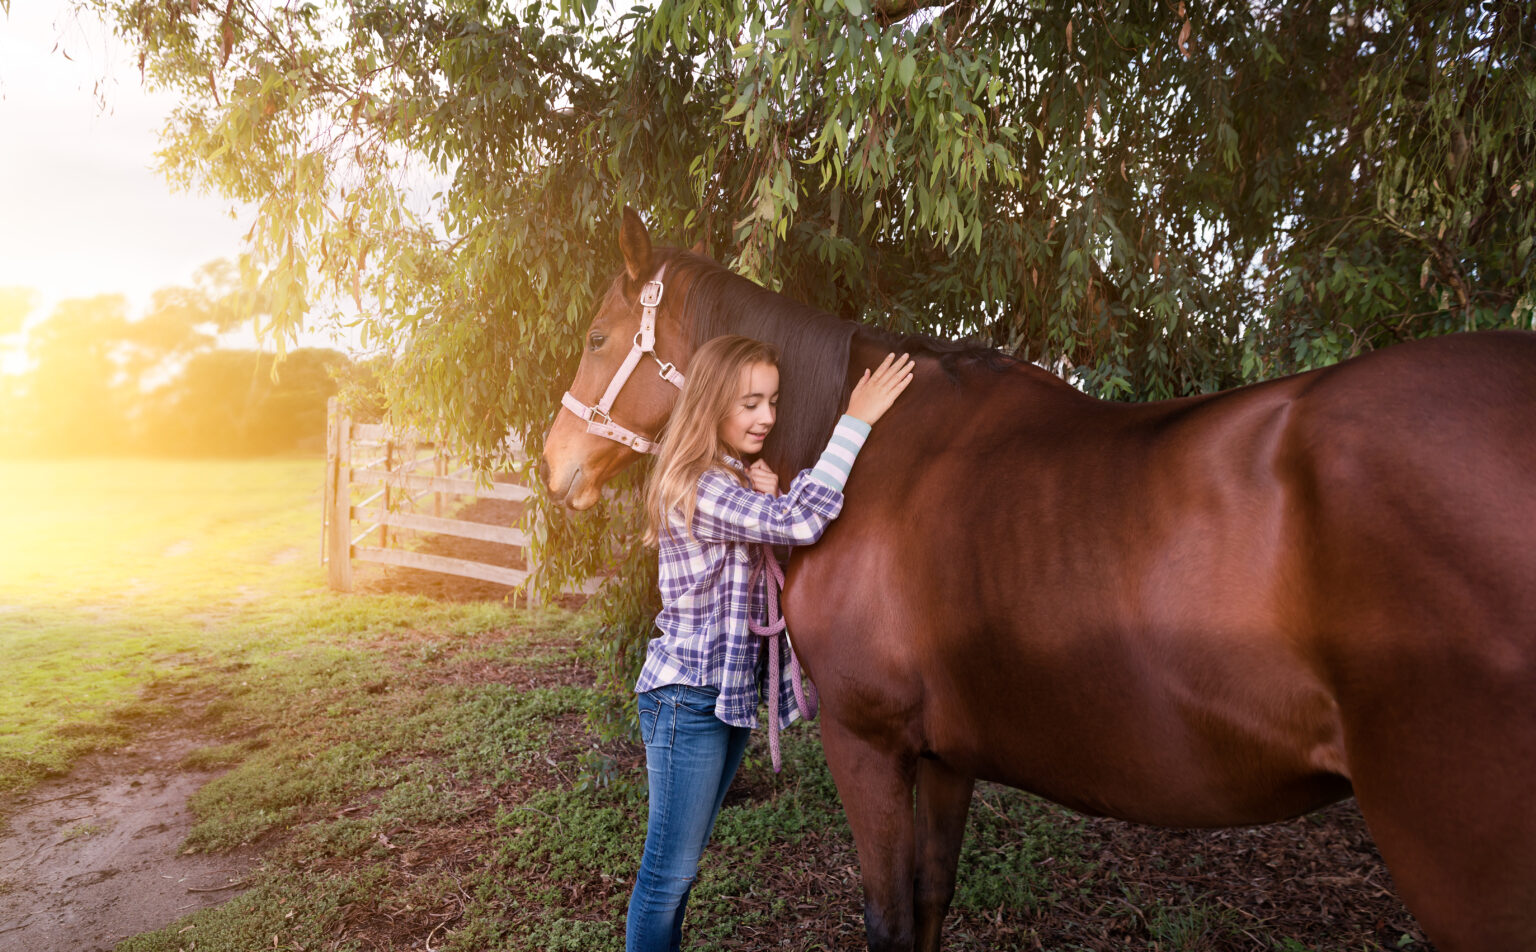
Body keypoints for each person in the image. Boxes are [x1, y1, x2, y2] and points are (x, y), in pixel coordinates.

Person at [628, 334, 915, 952]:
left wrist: (766, 496)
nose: (767, 418)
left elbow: (774, 558)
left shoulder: (733, 479)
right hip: (687, 698)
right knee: (667, 877)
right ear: (711, 404)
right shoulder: (700, 486)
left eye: (773, 402)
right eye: (750, 402)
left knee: (680, 873)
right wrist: (854, 424)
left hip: (720, 698)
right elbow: (801, 522)